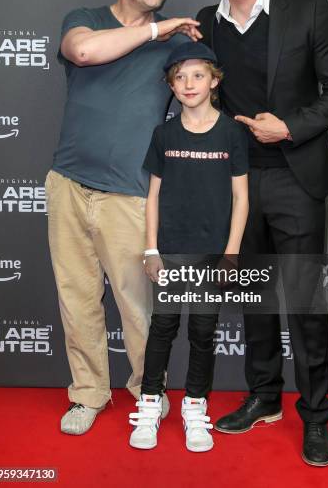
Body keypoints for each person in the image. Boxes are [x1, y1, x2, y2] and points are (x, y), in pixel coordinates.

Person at [196, 0, 328, 466]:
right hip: (237, 185)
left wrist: (289, 126)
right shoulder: (206, 23)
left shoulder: (309, 9)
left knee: (305, 301)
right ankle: (264, 397)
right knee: (253, 300)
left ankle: (315, 416)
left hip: (296, 176)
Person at [47, 0, 202, 435]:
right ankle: (88, 394)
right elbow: (85, 53)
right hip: (69, 184)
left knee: (139, 309)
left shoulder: (178, 44)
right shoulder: (86, 19)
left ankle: (147, 393)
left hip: (130, 196)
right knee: (77, 298)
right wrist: (155, 32)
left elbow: (201, 106)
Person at [128, 41, 249, 452]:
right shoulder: (164, 134)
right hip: (170, 251)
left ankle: (194, 407)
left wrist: (231, 252)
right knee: (162, 327)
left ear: (214, 81)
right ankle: (150, 404)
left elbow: (241, 198)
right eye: (179, 77)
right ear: (171, 86)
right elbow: (153, 196)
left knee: (202, 330)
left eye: (198, 75)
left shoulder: (232, 132)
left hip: (212, 254)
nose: (188, 83)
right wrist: (150, 249)